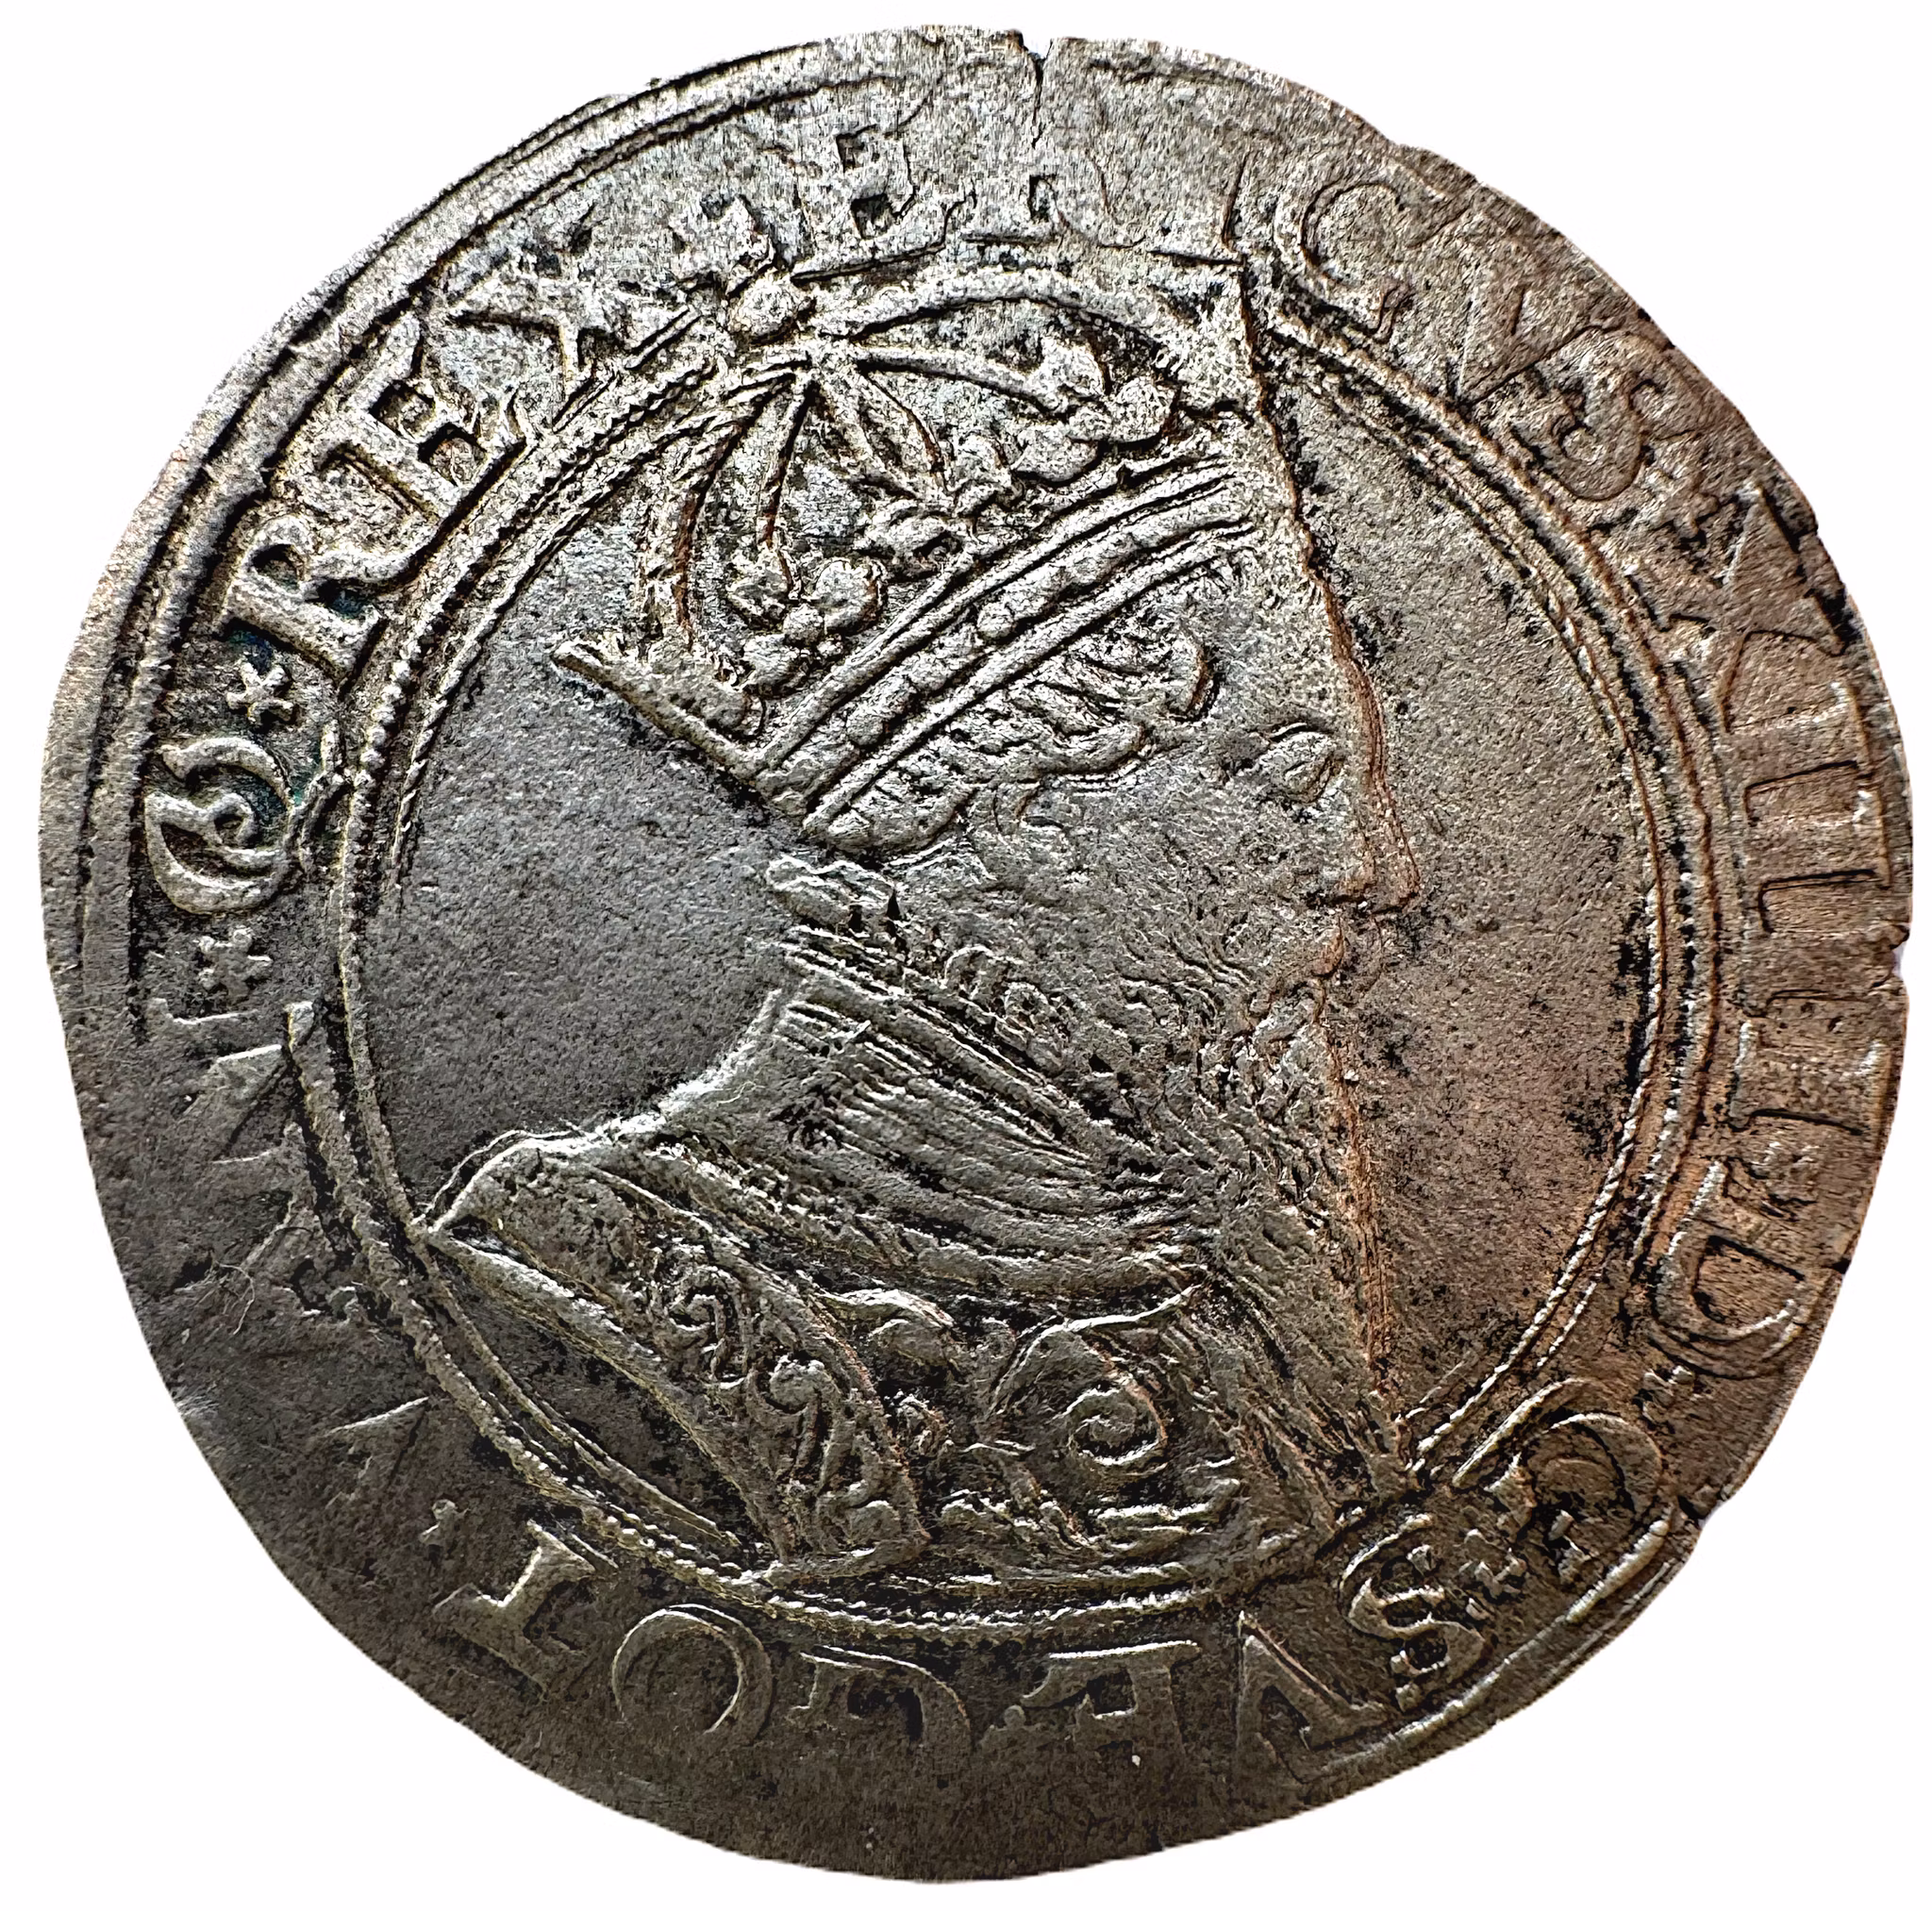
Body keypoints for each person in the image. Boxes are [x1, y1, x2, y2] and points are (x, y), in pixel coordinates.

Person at [424, 241, 1417, 1600]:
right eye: (1295, 779)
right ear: (1010, 813)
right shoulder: (628, 1271)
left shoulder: (1217, 1250)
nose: (1369, 870)